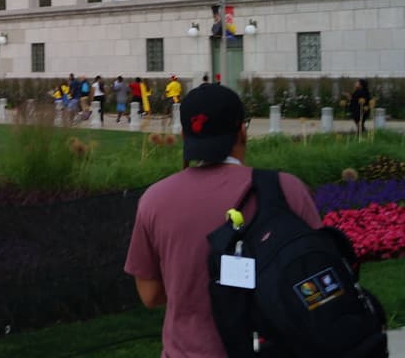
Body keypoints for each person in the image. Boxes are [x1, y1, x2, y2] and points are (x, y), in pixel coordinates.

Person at [125, 83, 321, 358]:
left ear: (184, 136)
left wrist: (191, 280)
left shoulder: (154, 200)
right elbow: (317, 272)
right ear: (242, 132)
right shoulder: (287, 189)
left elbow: (150, 295)